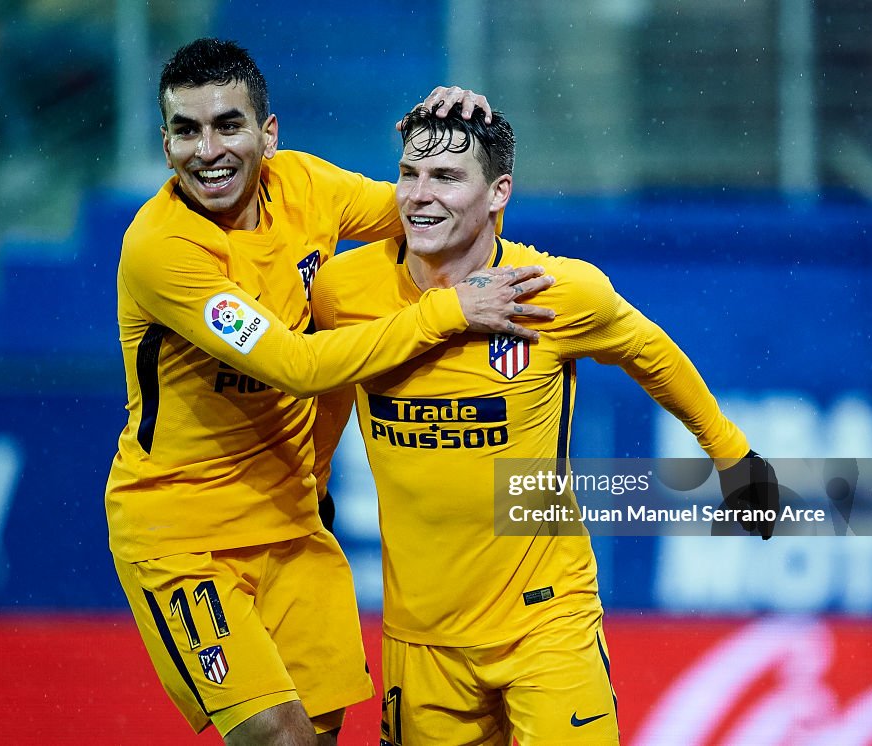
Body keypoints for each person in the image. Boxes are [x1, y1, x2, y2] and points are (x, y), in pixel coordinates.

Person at [105, 38, 554, 745]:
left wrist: (462, 142)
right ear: (165, 144)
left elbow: (436, 211)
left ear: (268, 135)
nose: (207, 149)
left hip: (291, 519)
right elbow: (297, 365)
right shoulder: (164, 250)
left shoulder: (306, 188)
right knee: (279, 737)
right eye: (186, 130)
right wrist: (449, 311)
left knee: (316, 735)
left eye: (228, 124)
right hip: (181, 534)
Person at [310, 104, 778, 745]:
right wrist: (310, 479)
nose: (418, 196)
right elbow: (327, 383)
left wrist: (731, 456)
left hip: (545, 621)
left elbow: (650, 352)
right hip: (421, 639)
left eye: (446, 176)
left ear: (499, 191)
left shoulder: (554, 291)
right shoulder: (342, 289)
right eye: (408, 173)